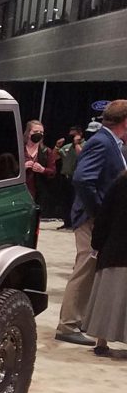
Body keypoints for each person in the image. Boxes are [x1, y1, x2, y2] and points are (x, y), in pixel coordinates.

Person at [56, 100, 127, 346]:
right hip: (90, 218)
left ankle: (79, 320)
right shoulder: (102, 142)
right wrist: (98, 211)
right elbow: (83, 179)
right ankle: (67, 325)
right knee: (85, 266)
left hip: (100, 219)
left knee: (90, 267)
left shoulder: (112, 143)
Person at [83, 171, 127, 357]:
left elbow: (104, 216)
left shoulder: (120, 183)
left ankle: (101, 341)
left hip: (114, 248)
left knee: (107, 295)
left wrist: (98, 244)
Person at [56, 126, 84, 230]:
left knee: (74, 202)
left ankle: (74, 223)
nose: (71, 137)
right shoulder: (66, 146)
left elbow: (82, 156)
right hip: (65, 177)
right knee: (65, 201)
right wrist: (57, 147)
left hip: (76, 178)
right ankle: (66, 222)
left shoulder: (85, 145)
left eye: (74, 134)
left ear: (80, 134)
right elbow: (55, 157)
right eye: (70, 134)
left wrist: (76, 144)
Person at [22, 120, 57, 203]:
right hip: (21, 190)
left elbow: (53, 172)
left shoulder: (46, 151)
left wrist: (43, 170)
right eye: (36, 131)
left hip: (39, 193)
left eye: (41, 132)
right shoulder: (20, 149)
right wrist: (23, 167)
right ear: (28, 132)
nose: (39, 134)